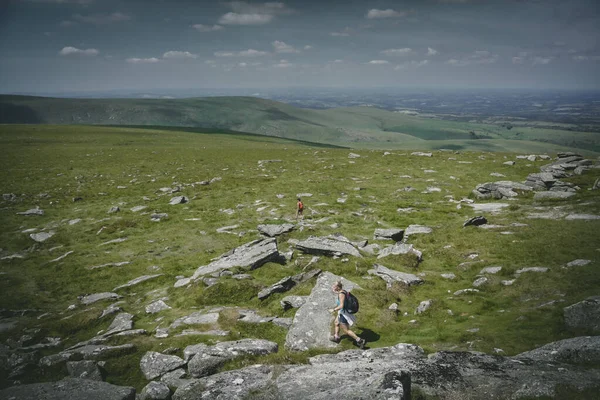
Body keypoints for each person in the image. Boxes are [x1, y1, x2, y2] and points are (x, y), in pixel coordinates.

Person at [328, 280, 366, 349]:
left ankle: (359, 340)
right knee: (336, 323)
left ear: (338, 287)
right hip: (342, 312)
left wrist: (333, 310)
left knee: (346, 330)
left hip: (344, 314)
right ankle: (336, 337)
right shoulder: (343, 291)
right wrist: (336, 292)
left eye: (334, 286)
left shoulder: (341, 294)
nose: (333, 287)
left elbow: (341, 305)